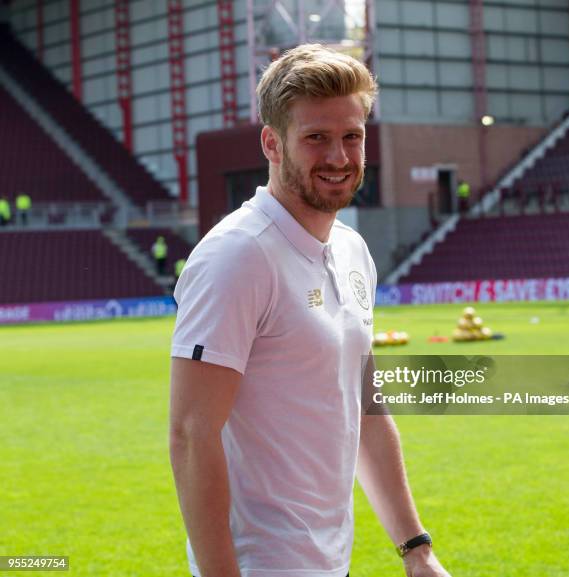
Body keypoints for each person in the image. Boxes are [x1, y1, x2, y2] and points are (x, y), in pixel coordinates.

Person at [169, 44, 451, 577]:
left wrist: (416, 548)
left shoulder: (352, 251)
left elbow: (364, 408)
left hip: (330, 559)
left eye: (352, 136)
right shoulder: (238, 254)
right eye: (316, 137)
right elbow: (190, 434)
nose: (340, 157)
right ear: (272, 144)